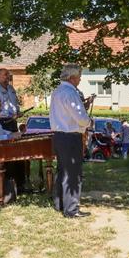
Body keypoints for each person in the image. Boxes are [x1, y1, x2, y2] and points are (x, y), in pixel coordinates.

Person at [50, 63, 91, 218]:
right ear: (73, 77)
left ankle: (60, 203)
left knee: (62, 171)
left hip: (59, 135)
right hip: (70, 136)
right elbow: (80, 118)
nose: (80, 80)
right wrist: (89, 122)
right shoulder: (70, 93)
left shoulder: (57, 91)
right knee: (73, 173)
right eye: (79, 77)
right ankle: (71, 209)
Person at [0, 68, 26, 194]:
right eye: (5, 75)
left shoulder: (11, 88)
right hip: (3, 122)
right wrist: (9, 115)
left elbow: (15, 103)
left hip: (13, 122)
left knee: (18, 152)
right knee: (8, 154)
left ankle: (20, 184)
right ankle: (9, 183)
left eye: (8, 75)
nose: (7, 77)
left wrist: (17, 112)